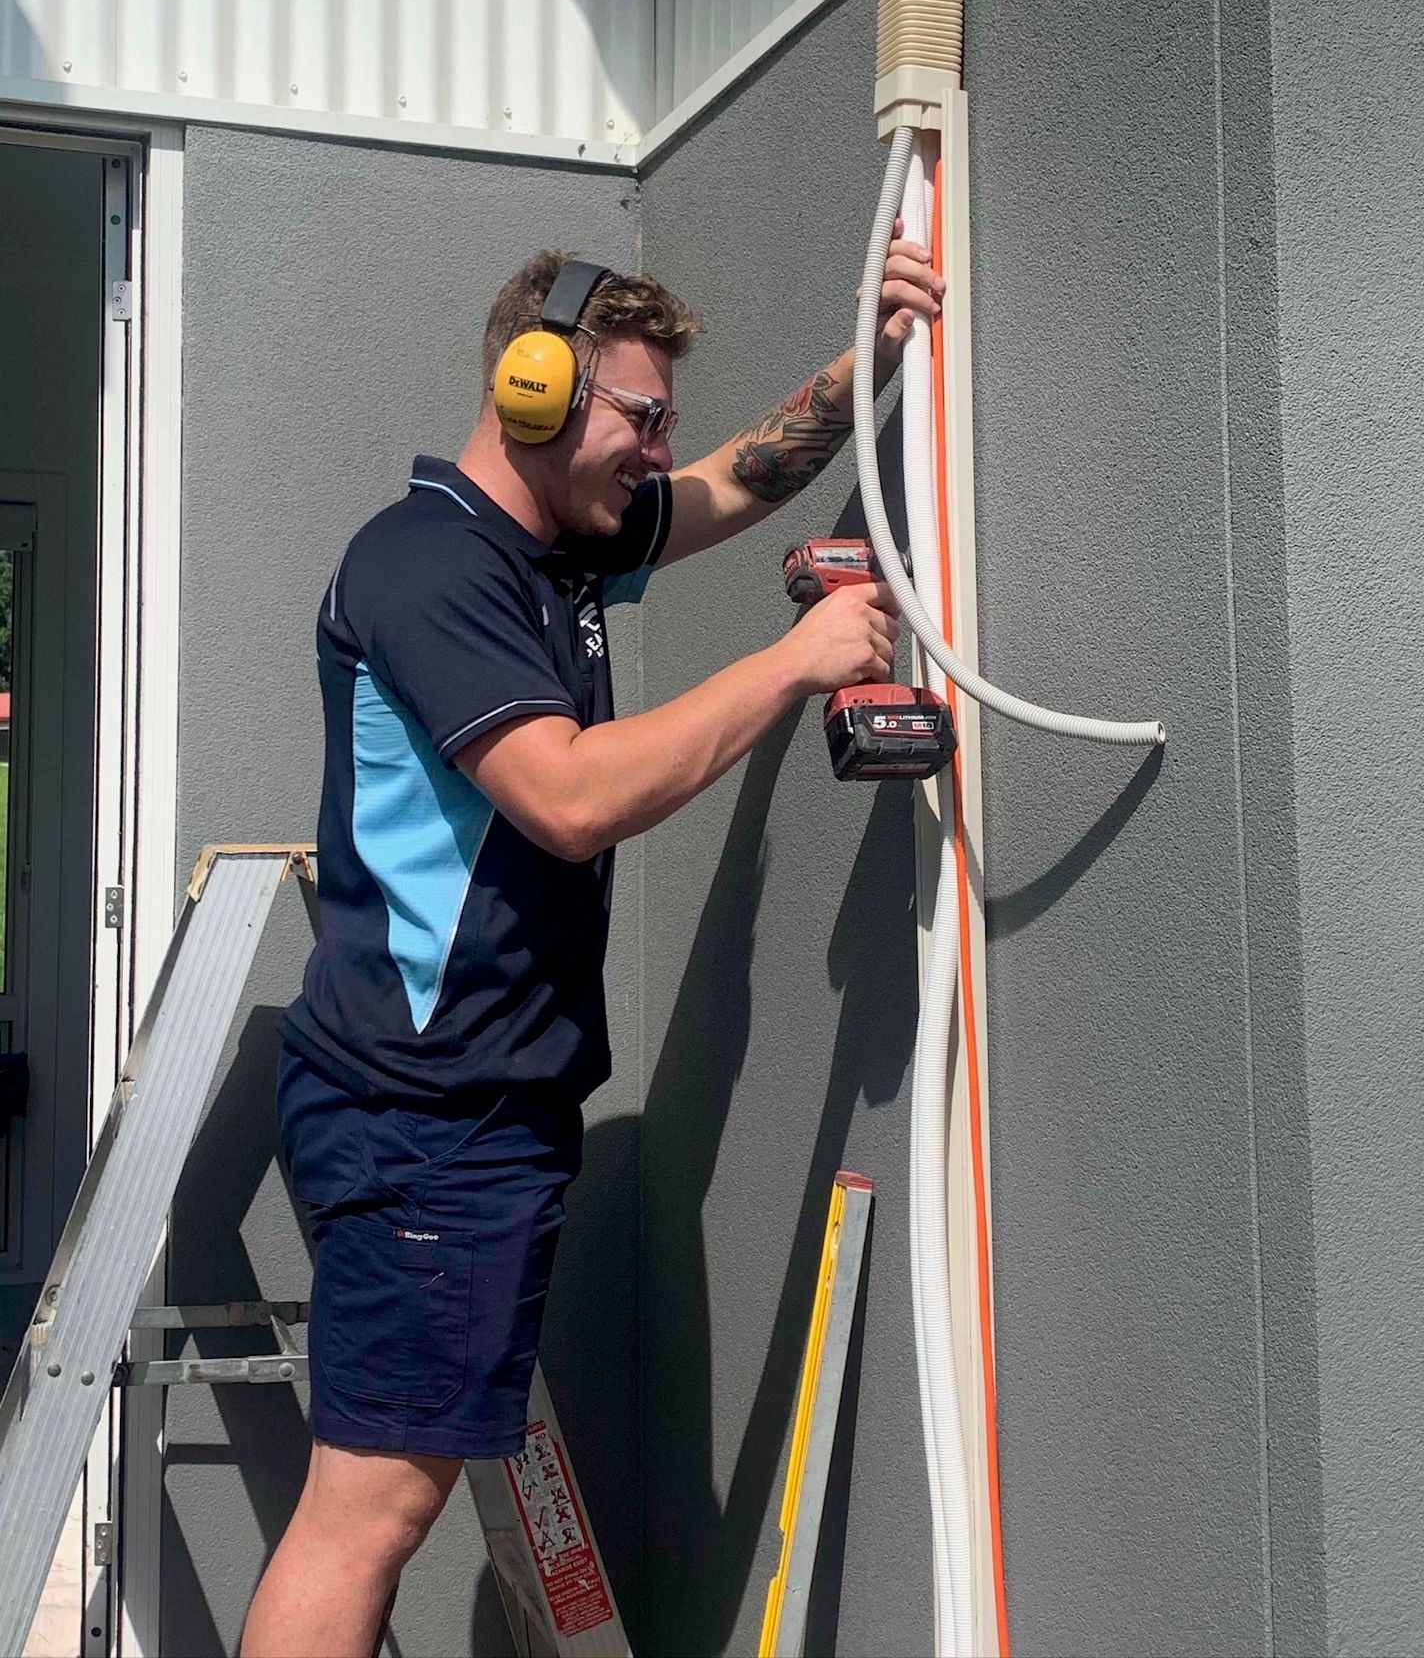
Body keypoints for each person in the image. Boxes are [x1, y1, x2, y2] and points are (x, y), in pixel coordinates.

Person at [240, 233, 944, 1658]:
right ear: (536, 391)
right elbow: (563, 800)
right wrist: (794, 663)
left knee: (391, 1496)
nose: (656, 448)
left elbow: (737, 482)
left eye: (661, 418)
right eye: (636, 415)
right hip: (420, 1114)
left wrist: (866, 357)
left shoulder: (554, 542)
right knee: (365, 1514)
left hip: (480, 1111)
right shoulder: (428, 567)